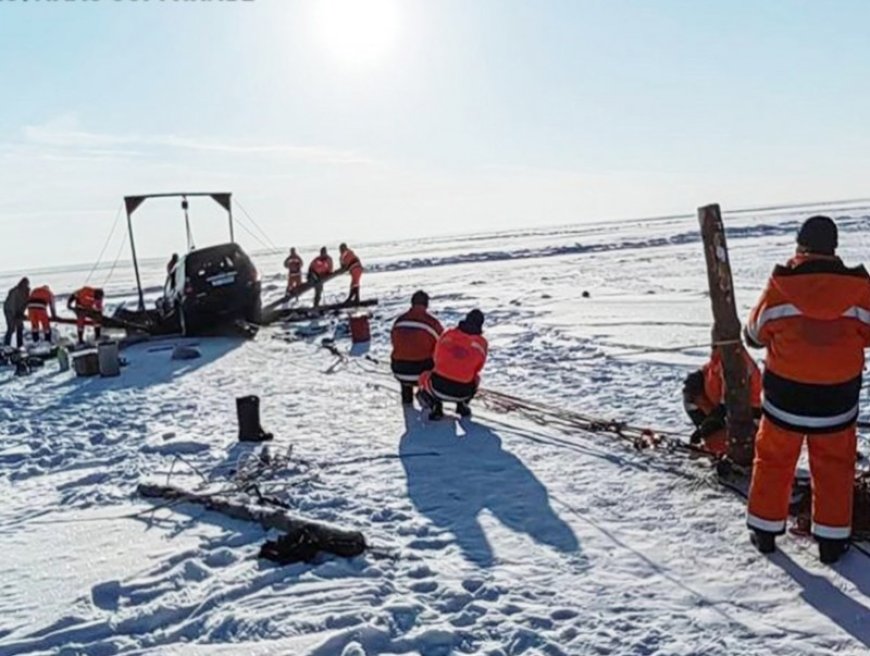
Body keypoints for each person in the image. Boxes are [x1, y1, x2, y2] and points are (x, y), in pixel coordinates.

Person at [744, 215, 870, 563]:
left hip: (785, 401)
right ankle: (831, 541)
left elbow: (754, 333)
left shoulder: (781, 284)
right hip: (837, 404)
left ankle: (765, 530)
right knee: (834, 466)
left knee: (773, 460)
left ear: (800, 246)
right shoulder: (859, 288)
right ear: (834, 248)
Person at [682, 344, 762, 456]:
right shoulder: (721, 360)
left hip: (745, 411)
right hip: (721, 405)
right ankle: (714, 444)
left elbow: (725, 407)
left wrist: (710, 423)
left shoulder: (736, 365)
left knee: (722, 431)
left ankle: (726, 448)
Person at [418, 309, 488, 420]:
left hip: (437, 387)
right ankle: (462, 405)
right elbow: (478, 368)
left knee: (425, 376)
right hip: (464, 392)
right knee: (476, 378)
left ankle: (436, 406)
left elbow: (435, 357)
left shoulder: (448, 335)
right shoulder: (481, 343)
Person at [391, 291, 444, 405]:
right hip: (421, 374)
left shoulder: (399, 321)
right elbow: (442, 345)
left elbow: (394, 342)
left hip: (399, 370)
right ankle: (429, 396)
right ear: (426, 304)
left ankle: (406, 396)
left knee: (405, 353)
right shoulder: (432, 323)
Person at [3, 277, 30, 349]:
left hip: (18, 311)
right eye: (24, 284)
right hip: (9, 310)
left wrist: (22, 314)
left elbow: (25, 304)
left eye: (26, 284)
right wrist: (14, 315)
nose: (25, 286)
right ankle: (6, 345)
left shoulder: (27, 292)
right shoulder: (14, 291)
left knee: (20, 327)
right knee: (11, 328)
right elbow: (12, 304)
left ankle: (20, 345)